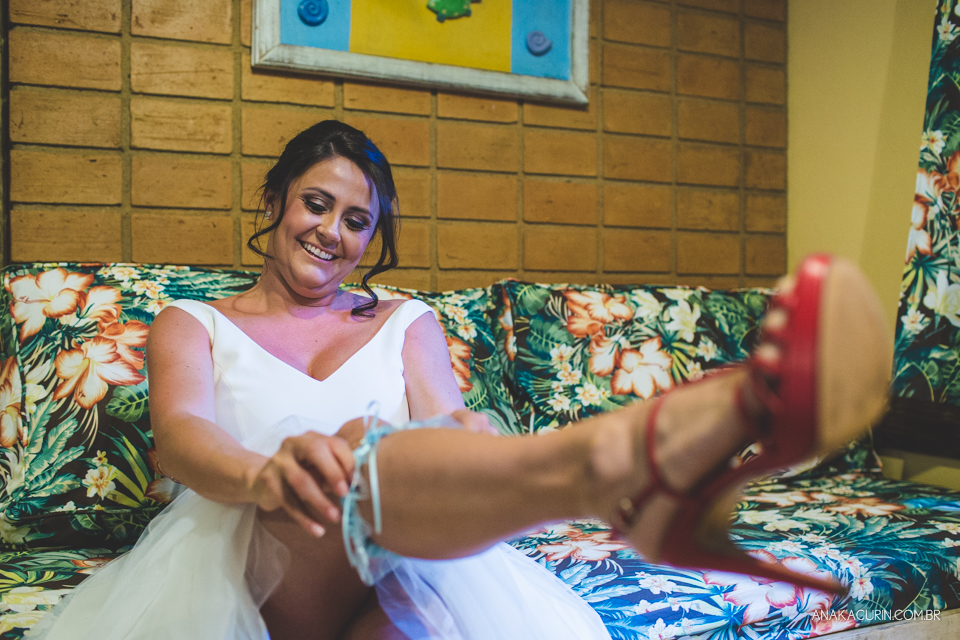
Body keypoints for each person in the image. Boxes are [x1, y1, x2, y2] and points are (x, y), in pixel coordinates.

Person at [31, 121, 892, 640]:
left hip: (403, 575)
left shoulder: (407, 321)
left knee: (402, 444)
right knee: (346, 456)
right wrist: (266, 474)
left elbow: (442, 413)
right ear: (274, 203)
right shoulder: (196, 322)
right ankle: (635, 462)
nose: (333, 231)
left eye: (358, 220)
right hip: (253, 567)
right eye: (316, 203)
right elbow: (181, 440)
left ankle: (720, 414)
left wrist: (467, 431)